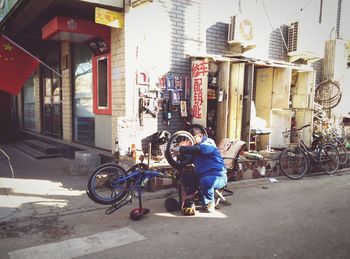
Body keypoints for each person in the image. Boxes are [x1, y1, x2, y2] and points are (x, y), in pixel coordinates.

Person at [172, 130, 227, 213]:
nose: (189, 141)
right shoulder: (195, 149)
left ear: (200, 136)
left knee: (206, 181)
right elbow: (186, 160)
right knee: (186, 175)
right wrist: (177, 155)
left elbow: (199, 149)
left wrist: (181, 148)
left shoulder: (209, 143)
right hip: (202, 176)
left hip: (218, 177)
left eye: (191, 139)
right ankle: (192, 197)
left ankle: (209, 203)